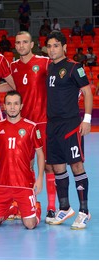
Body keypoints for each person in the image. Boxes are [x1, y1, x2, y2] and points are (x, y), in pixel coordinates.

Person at [1, 31, 56, 222]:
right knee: (23, 165)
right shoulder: (13, 66)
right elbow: (9, 87)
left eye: (25, 42)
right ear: (15, 46)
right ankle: (23, 202)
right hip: (21, 123)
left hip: (41, 121)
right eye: (18, 43)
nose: (21, 45)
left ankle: (50, 207)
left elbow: (57, 81)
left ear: (31, 44)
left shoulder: (44, 62)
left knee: (48, 165)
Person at [45, 31, 93, 229]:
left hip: (71, 125)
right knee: (57, 167)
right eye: (49, 46)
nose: (52, 49)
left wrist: (87, 120)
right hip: (52, 125)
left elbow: (87, 92)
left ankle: (84, 211)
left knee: (76, 166)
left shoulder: (75, 67)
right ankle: (64, 207)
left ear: (64, 47)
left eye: (56, 45)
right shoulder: (48, 68)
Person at [0, 91, 44, 230]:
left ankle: (36, 207)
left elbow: (40, 154)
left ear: (21, 106)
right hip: (2, 184)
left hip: (24, 183)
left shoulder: (31, 127)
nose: (12, 107)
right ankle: (11, 209)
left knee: (30, 225)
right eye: (9, 104)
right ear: (4, 106)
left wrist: (40, 178)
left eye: (16, 104)